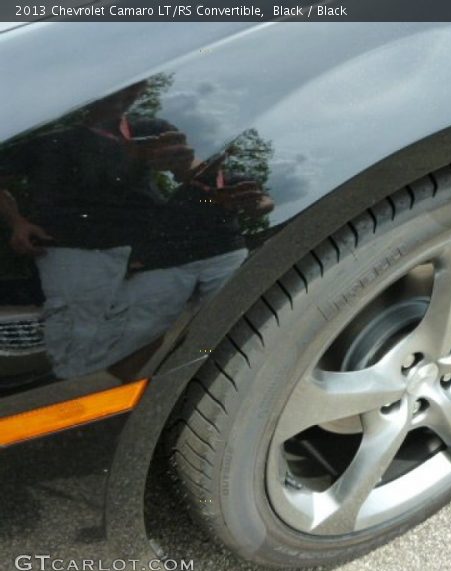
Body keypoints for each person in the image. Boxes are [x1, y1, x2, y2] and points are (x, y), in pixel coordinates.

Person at [0, 80, 272, 380]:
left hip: (150, 250)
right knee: (79, 341)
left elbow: (197, 176)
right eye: (123, 86)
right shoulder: (49, 137)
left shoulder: (150, 129)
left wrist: (184, 165)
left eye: (138, 88)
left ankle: (142, 389)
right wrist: (17, 222)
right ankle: (87, 394)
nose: (131, 93)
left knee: (152, 326)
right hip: (75, 249)